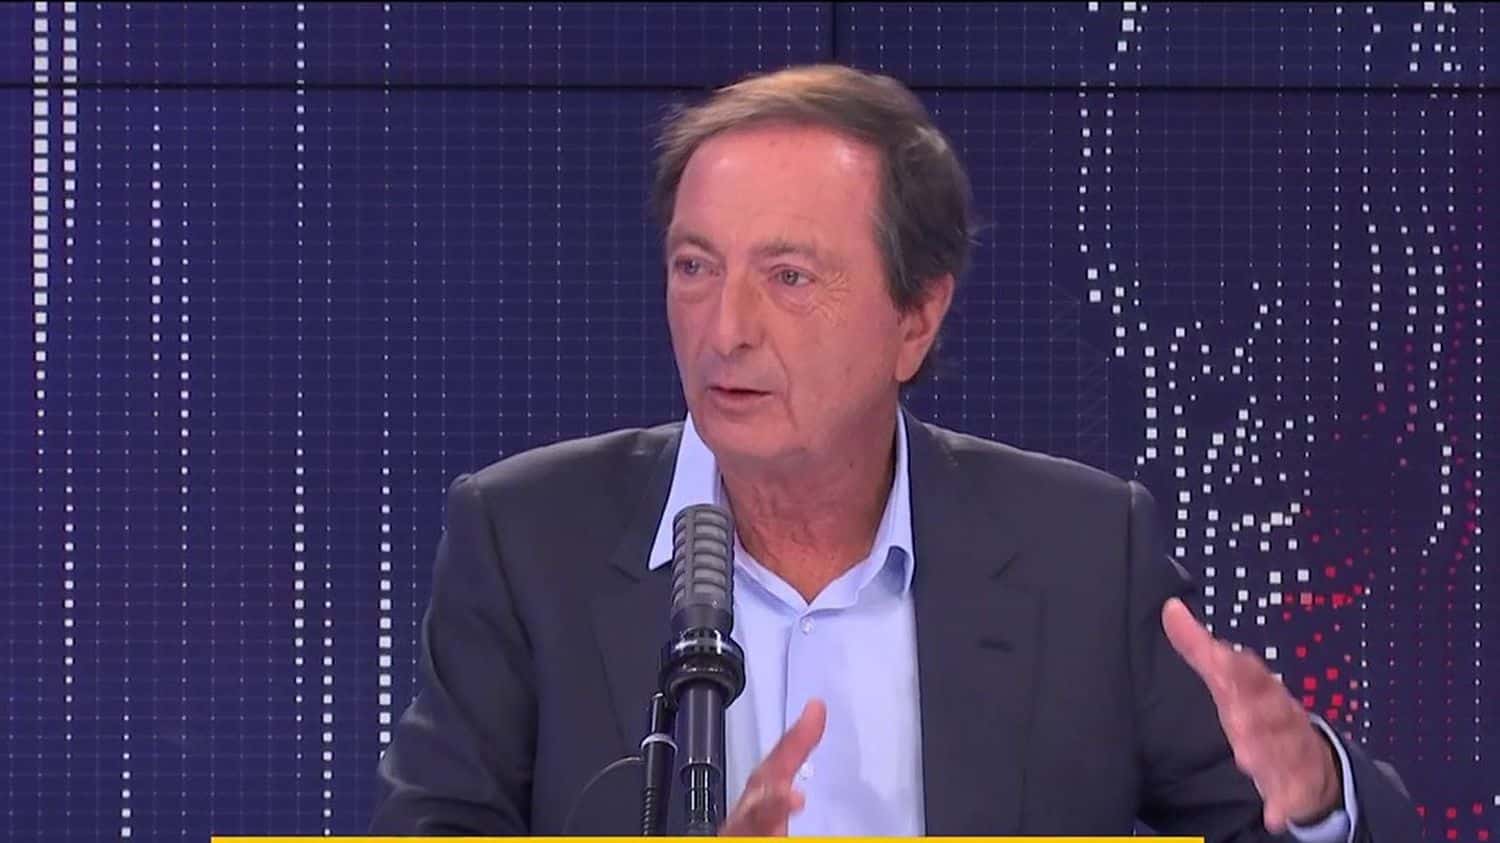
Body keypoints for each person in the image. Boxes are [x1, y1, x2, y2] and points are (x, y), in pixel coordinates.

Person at [370, 64, 1418, 839]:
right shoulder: (527, 538)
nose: (724, 328)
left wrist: (1318, 797)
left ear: (916, 319)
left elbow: (1306, 823)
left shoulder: (1085, 552)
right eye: (695, 266)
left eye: (788, 277)